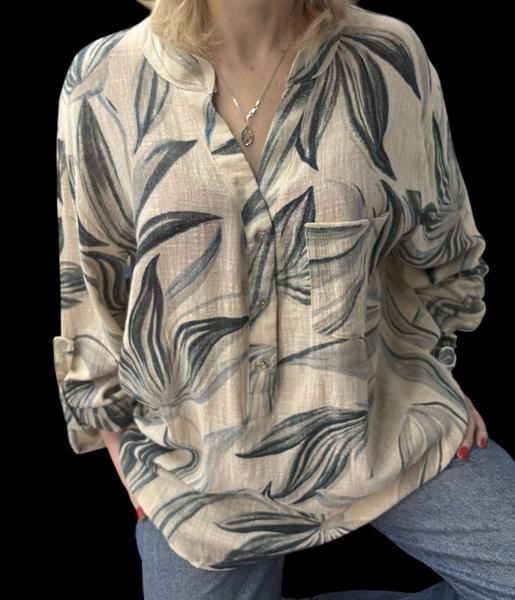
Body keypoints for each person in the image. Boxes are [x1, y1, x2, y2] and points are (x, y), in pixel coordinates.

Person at [53, 0, 515, 598]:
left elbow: (440, 237)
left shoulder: (384, 55)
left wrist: (436, 369)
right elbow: (90, 285)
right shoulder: (106, 78)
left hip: (380, 424)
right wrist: (122, 453)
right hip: (195, 476)